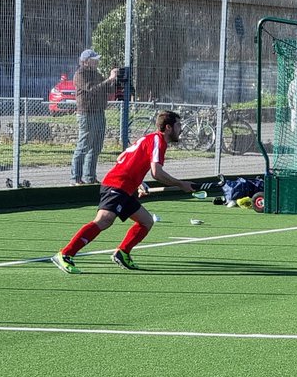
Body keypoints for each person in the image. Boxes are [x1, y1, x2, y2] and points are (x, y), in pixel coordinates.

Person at [51, 110, 195, 274]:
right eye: (178, 125)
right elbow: (157, 173)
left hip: (125, 188)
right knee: (104, 220)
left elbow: (125, 158)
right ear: (168, 127)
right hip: (117, 185)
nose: (181, 129)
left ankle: (122, 253)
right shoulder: (159, 141)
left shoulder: (151, 139)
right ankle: (65, 254)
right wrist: (181, 184)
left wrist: (138, 182)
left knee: (146, 221)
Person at [69, 48, 119, 186]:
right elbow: (92, 88)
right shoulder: (80, 74)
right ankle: (75, 178)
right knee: (84, 145)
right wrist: (109, 79)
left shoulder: (96, 73)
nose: (97, 61)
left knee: (96, 146)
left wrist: (113, 80)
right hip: (86, 113)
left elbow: (108, 89)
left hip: (99, 112)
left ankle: (90, 177)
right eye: (94, 59)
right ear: (86, 62)